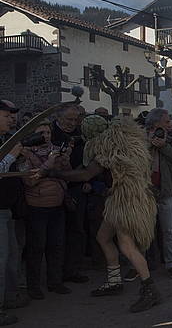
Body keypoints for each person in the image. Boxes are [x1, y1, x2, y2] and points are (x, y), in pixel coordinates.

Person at [39, 115, 160, 313]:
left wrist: (53, 174)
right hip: (127, 196)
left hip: (126, 199)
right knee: (103, 237)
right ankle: (114, 282)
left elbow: (86, 174)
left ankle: (150, 289)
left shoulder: (107, 147)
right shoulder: (127, 140)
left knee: (127, 245)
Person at [127, 108, 172, 280]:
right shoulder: (138, 140)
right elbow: (132, 161)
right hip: (144, 193)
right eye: (166, 122)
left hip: (166, 192)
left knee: (169, 230)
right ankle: (138, 265)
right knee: (142, 231)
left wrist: (164, 146)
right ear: (155, 123)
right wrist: (149, 143)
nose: (170, 125)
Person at [20, 122, 72, 299]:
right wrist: (49, 164)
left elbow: (67, 175)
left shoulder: (57, 150)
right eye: (41, 133)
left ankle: (55, 282)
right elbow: (30, 180)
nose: (46, 136)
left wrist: (65, 162)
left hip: (57, 206)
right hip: (37, 207)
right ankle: (33, 286)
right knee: (36, 248)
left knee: (57, 246)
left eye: (48, 132)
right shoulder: (24, 154)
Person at [51, 105, 90, 285]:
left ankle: (72, 270)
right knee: (56, 236)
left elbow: (86, 160)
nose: (72, 124)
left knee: (77, 231)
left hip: (77, 188)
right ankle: (55, 275)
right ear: (58, 118)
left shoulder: (80, 135)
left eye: (76, 120)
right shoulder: (49, 133)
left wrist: (85, 177)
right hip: (53, 188)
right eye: (69, 120)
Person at [0, 101, 22, 326]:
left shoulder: (4, 139)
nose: (10, 119)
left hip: (6, 208)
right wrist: (11, 156)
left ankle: (8, 298)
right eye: (6, 115)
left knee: (10, 258)